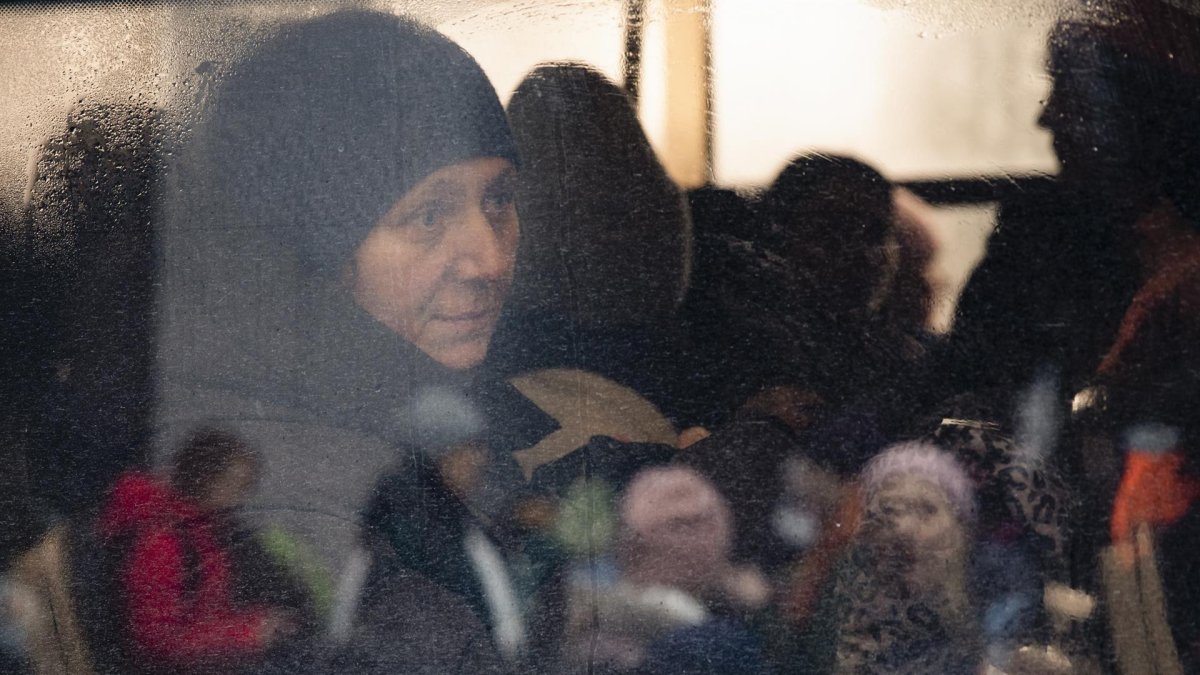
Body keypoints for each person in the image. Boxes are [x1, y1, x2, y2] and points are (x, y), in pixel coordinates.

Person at [156, 11, 678, 670]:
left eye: (499, 199)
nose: (489, 259)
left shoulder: (547, 417)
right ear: (317, 254)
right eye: (429, 215)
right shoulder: (256, 485)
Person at [98, 429, 297, 674]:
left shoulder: (202, 530)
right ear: (204, 479)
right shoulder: (163, 542)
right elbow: (158, 641)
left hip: (207, 657)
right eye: (235, 483)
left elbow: (205, 614)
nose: (242, 495)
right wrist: (245, 633)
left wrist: (256, 622)